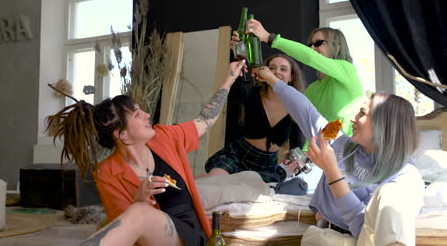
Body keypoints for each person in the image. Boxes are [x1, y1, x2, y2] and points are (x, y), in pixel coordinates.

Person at [47, 60, 246, 246]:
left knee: (139, 212)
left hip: (191, 233)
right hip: (153, 238)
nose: (147, 115)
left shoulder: (164, 137)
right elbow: (123, 225)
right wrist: (138, 199)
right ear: (122, 135)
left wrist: (229, 78)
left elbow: (205, 120)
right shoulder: (107, 171)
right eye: (137, 114)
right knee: (134, 213)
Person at [252, 65, 424, 242]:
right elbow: (306, 111)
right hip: (320, 235)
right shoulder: (342, 144)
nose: (353, 119)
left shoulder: (404, 176)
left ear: (384, 125)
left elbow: (362, 227)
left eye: (362, 113)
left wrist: (331, 171)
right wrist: (273, 81)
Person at [242, 19, 364, 145]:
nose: (312, 47)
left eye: (318, 43)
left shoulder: (348, 70)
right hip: (317, 157)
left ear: (337, 47)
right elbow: (309, 126)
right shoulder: (313, 88)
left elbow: (310, 57)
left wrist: (270, 38)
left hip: (341, 157)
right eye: (310, 44)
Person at [200, 53, 306, 183]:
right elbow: (237, 81)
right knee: (214, 181)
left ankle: (182, 184)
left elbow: (297, 146)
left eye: (283, 69)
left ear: (291, 76)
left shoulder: (295, 107)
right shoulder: (252, 92)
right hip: (238, 155)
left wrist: (297, 162)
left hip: (267, 166)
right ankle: (179, 188)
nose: (276, 72)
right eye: (271, 68)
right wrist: (238, 56)